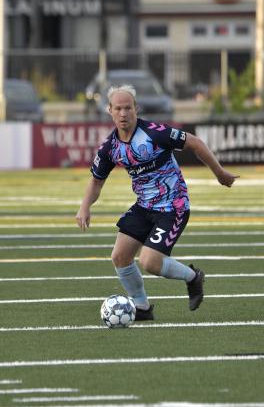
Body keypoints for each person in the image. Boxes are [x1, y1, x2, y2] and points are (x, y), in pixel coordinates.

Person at [75, 84, 238, 321]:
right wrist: (84, 206)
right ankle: (142, 308)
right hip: (144, 206)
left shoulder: (154, 133)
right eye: (118, 108)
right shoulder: (110, 148)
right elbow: (96, 182)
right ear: (109, 110)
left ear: (136, 109)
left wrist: (220, 173)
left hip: (173, 206)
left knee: (150, 262)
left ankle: (193, 278)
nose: (123, 113)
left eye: (128, 108)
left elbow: (194, 142)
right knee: (119, 256)